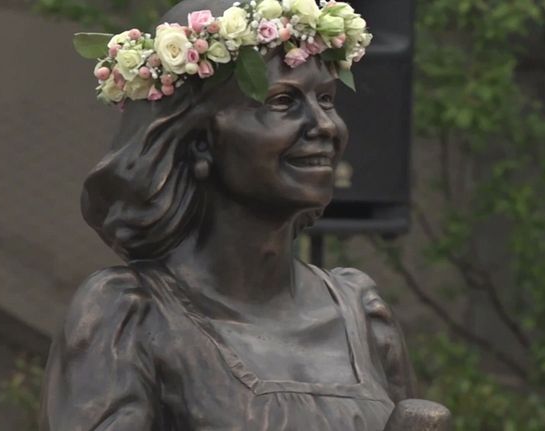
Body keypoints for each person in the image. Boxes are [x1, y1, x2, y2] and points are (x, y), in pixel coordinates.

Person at [40, 1, 450, 429]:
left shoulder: (364, 315)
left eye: (327, 99)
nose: (325, 125)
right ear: (200, 140)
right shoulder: (128, 317)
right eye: (282, 101)